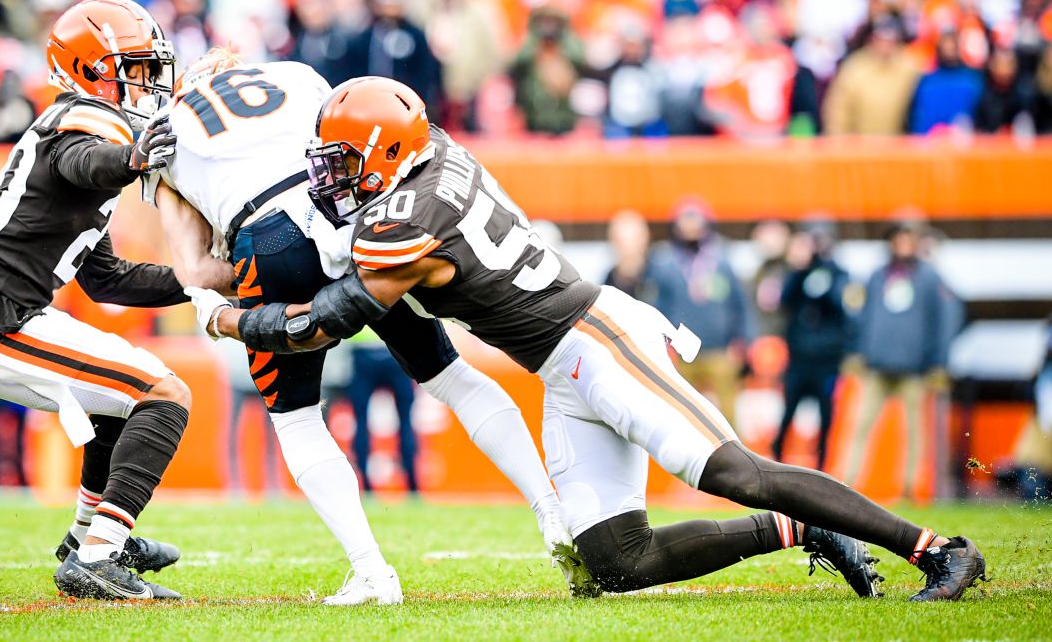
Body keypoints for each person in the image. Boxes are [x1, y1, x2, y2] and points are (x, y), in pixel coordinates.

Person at [207, 77, 987, 603]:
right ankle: (799, 528)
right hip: (561, 364)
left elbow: (324, 324)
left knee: (735, 472)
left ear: (382, 155)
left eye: (343, 163)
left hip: (597, 338)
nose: (330, 178)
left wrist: (229, 316)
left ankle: (938, 549)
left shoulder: (405, 221)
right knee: (617, 563)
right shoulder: (430, 152)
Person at [150, 52, 588, 605]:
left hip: (268, 236)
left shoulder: (168, 129)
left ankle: (372, 572)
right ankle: (553, 514)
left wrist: (238, 290)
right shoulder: (293, 73)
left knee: (297, 418)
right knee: (450, 375)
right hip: (349, 215)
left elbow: (194, 271)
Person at [0, 0, 192, 600]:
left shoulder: (92, 126)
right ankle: (99, 554)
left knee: (124, 399)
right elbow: (84, 162)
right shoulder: (86, 122)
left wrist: (200, 282)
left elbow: (106, 279)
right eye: (138, 68)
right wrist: (134, 158)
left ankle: (92, 542)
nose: (149, 84)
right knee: (165, 393)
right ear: (94, 67)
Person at [845, 216, 958, 500]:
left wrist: (939, 362)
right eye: (899, 238)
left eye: (909, 238)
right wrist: (859, 352)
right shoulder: (878, 276)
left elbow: (943, 322)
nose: (904, 244)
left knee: (915, 434)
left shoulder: (930, 278)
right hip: (877, 367)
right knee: (859, 426)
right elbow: (864, 317)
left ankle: (910, 489)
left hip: (915, 371)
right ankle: (845, 485)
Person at [647, 200, 752, 431]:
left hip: (719, 351)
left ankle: (736, 463)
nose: (692, 227)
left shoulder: (721, 260)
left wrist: (742, 341)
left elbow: (739, 304)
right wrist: (662, 344)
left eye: (696, 221)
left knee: (728, 416)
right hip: (681, 354)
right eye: (686, 221)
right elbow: (658, 306)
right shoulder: (665, 263)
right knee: (682, 414)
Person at [770, 220, 851, 469]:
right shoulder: (800, 273)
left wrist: (826, 279)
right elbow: (784, 301)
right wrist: (800, 269)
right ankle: (778, 460)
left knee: (826, 417)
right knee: (788, 413)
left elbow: (843, 308)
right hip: (799, 358)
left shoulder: (840, 274)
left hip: (826, 361)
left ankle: (822, 467)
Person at [347, 327, 418, 494]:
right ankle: (413, 487)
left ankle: (366, 487)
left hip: (362, 351)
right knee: (406, 422)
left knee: (361, 423)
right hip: (395, 350)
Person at [822, 17, 922, 135]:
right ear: (872, 39)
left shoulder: (908, 67)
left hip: (898, 146)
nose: (885, 45)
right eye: (881, 39)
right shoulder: (855, 67)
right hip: (858, 146)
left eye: (890, 40)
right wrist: (838, 142)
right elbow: (837, 110)